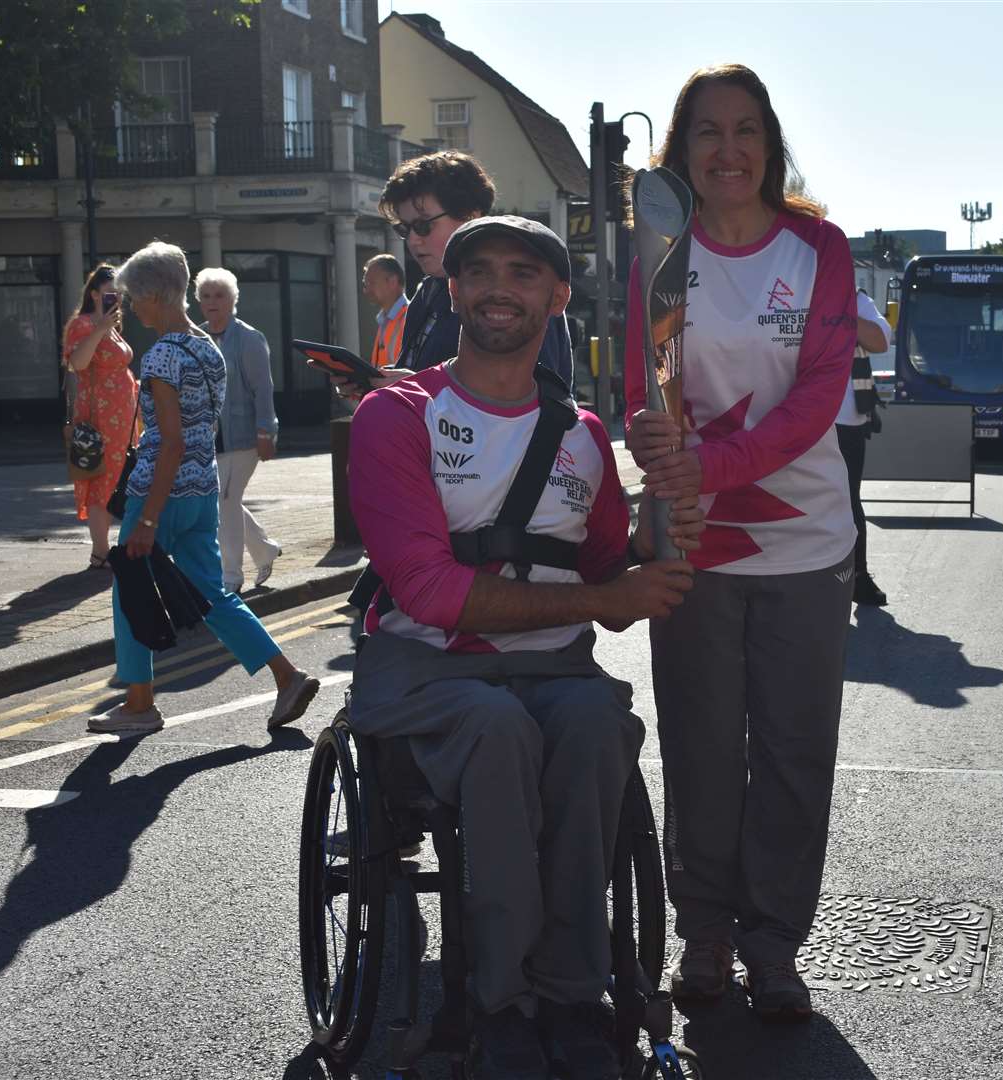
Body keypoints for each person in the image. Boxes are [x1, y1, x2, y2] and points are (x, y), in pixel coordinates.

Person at [347, 216, 701, 1080]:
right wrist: (609, 593)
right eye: (479, 272)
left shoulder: (582, 433)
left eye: (522, 272)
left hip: (556, 670)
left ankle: (575, 997)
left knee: (591, 725)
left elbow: (615, 587)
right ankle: (499, 1004)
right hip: (430, 671)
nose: (499, 287)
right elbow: (428, 592)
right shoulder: (398, 414)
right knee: (497, 727)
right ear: (455, 290)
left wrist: (666, 528)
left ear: (555, 296)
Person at [624, 64, 859, 1022]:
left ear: (770, 144)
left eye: (746, 130)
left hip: (807, 543)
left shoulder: (818, 249)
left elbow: (816, 400)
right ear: (682, 151)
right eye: (708, 133)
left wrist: (707, 468)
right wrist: (647, 434)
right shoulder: (662, 253)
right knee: (703, 748)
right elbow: (652, 385)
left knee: (796, 752)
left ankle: (774, 944)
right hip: (694, 545)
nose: (729, 150)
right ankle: (708, 934)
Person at [89, 242, 319, 735]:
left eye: (134, 297)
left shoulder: (160, 359)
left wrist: (147, 518)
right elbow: (198, 432)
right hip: (201, 490)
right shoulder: (207, 347)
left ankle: (139, 703)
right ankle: (287, 676)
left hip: (160, 492)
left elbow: (168, 443)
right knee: (212, 594)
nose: (131, 306)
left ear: (154, 295)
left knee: (130, 587)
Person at [336, 151, 573, 401]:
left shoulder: (522, 294)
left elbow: (535, 400)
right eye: (404, 229)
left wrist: (420, 386)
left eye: (424, 225)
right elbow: (422, 373)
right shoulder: (427, 292)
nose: (414, 240)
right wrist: (376, 381)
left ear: (470, 215)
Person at [194, 267, 281, 593]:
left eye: (219, 296)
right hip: (208, 437)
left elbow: (263, 389)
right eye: (205, 296)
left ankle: (230, 576)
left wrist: (265, 433)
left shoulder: (249, 338)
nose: (212, 302)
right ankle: (265, 550)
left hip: (245, 437)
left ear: (233, 300)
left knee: (225, 502)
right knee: (225, 502)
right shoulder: (197, 336)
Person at [63, 264, 138, 570]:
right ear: (93, 294)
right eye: (109, 294)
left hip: (124, 415)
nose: (115, 300)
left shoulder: (114, 325)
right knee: (102, 480)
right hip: (100, 416)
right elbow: (77, 364)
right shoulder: (83, 325)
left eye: (118, 294)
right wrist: (99, 330)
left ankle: (111, 547)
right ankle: (100, 551)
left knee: (121, 477)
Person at [834, 288, 893, 607]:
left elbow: (881, 340)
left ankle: (858, 575)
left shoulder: (853, 299)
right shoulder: (788, 287)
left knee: (847, 499)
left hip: (845, 420)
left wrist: (835, 308)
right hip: (796, 415)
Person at [362, 253, 409, 369]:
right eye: (365, 284)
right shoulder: (385, 319)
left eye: (371, 283)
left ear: (392, 282)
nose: (366, 290)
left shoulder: (411, 317)